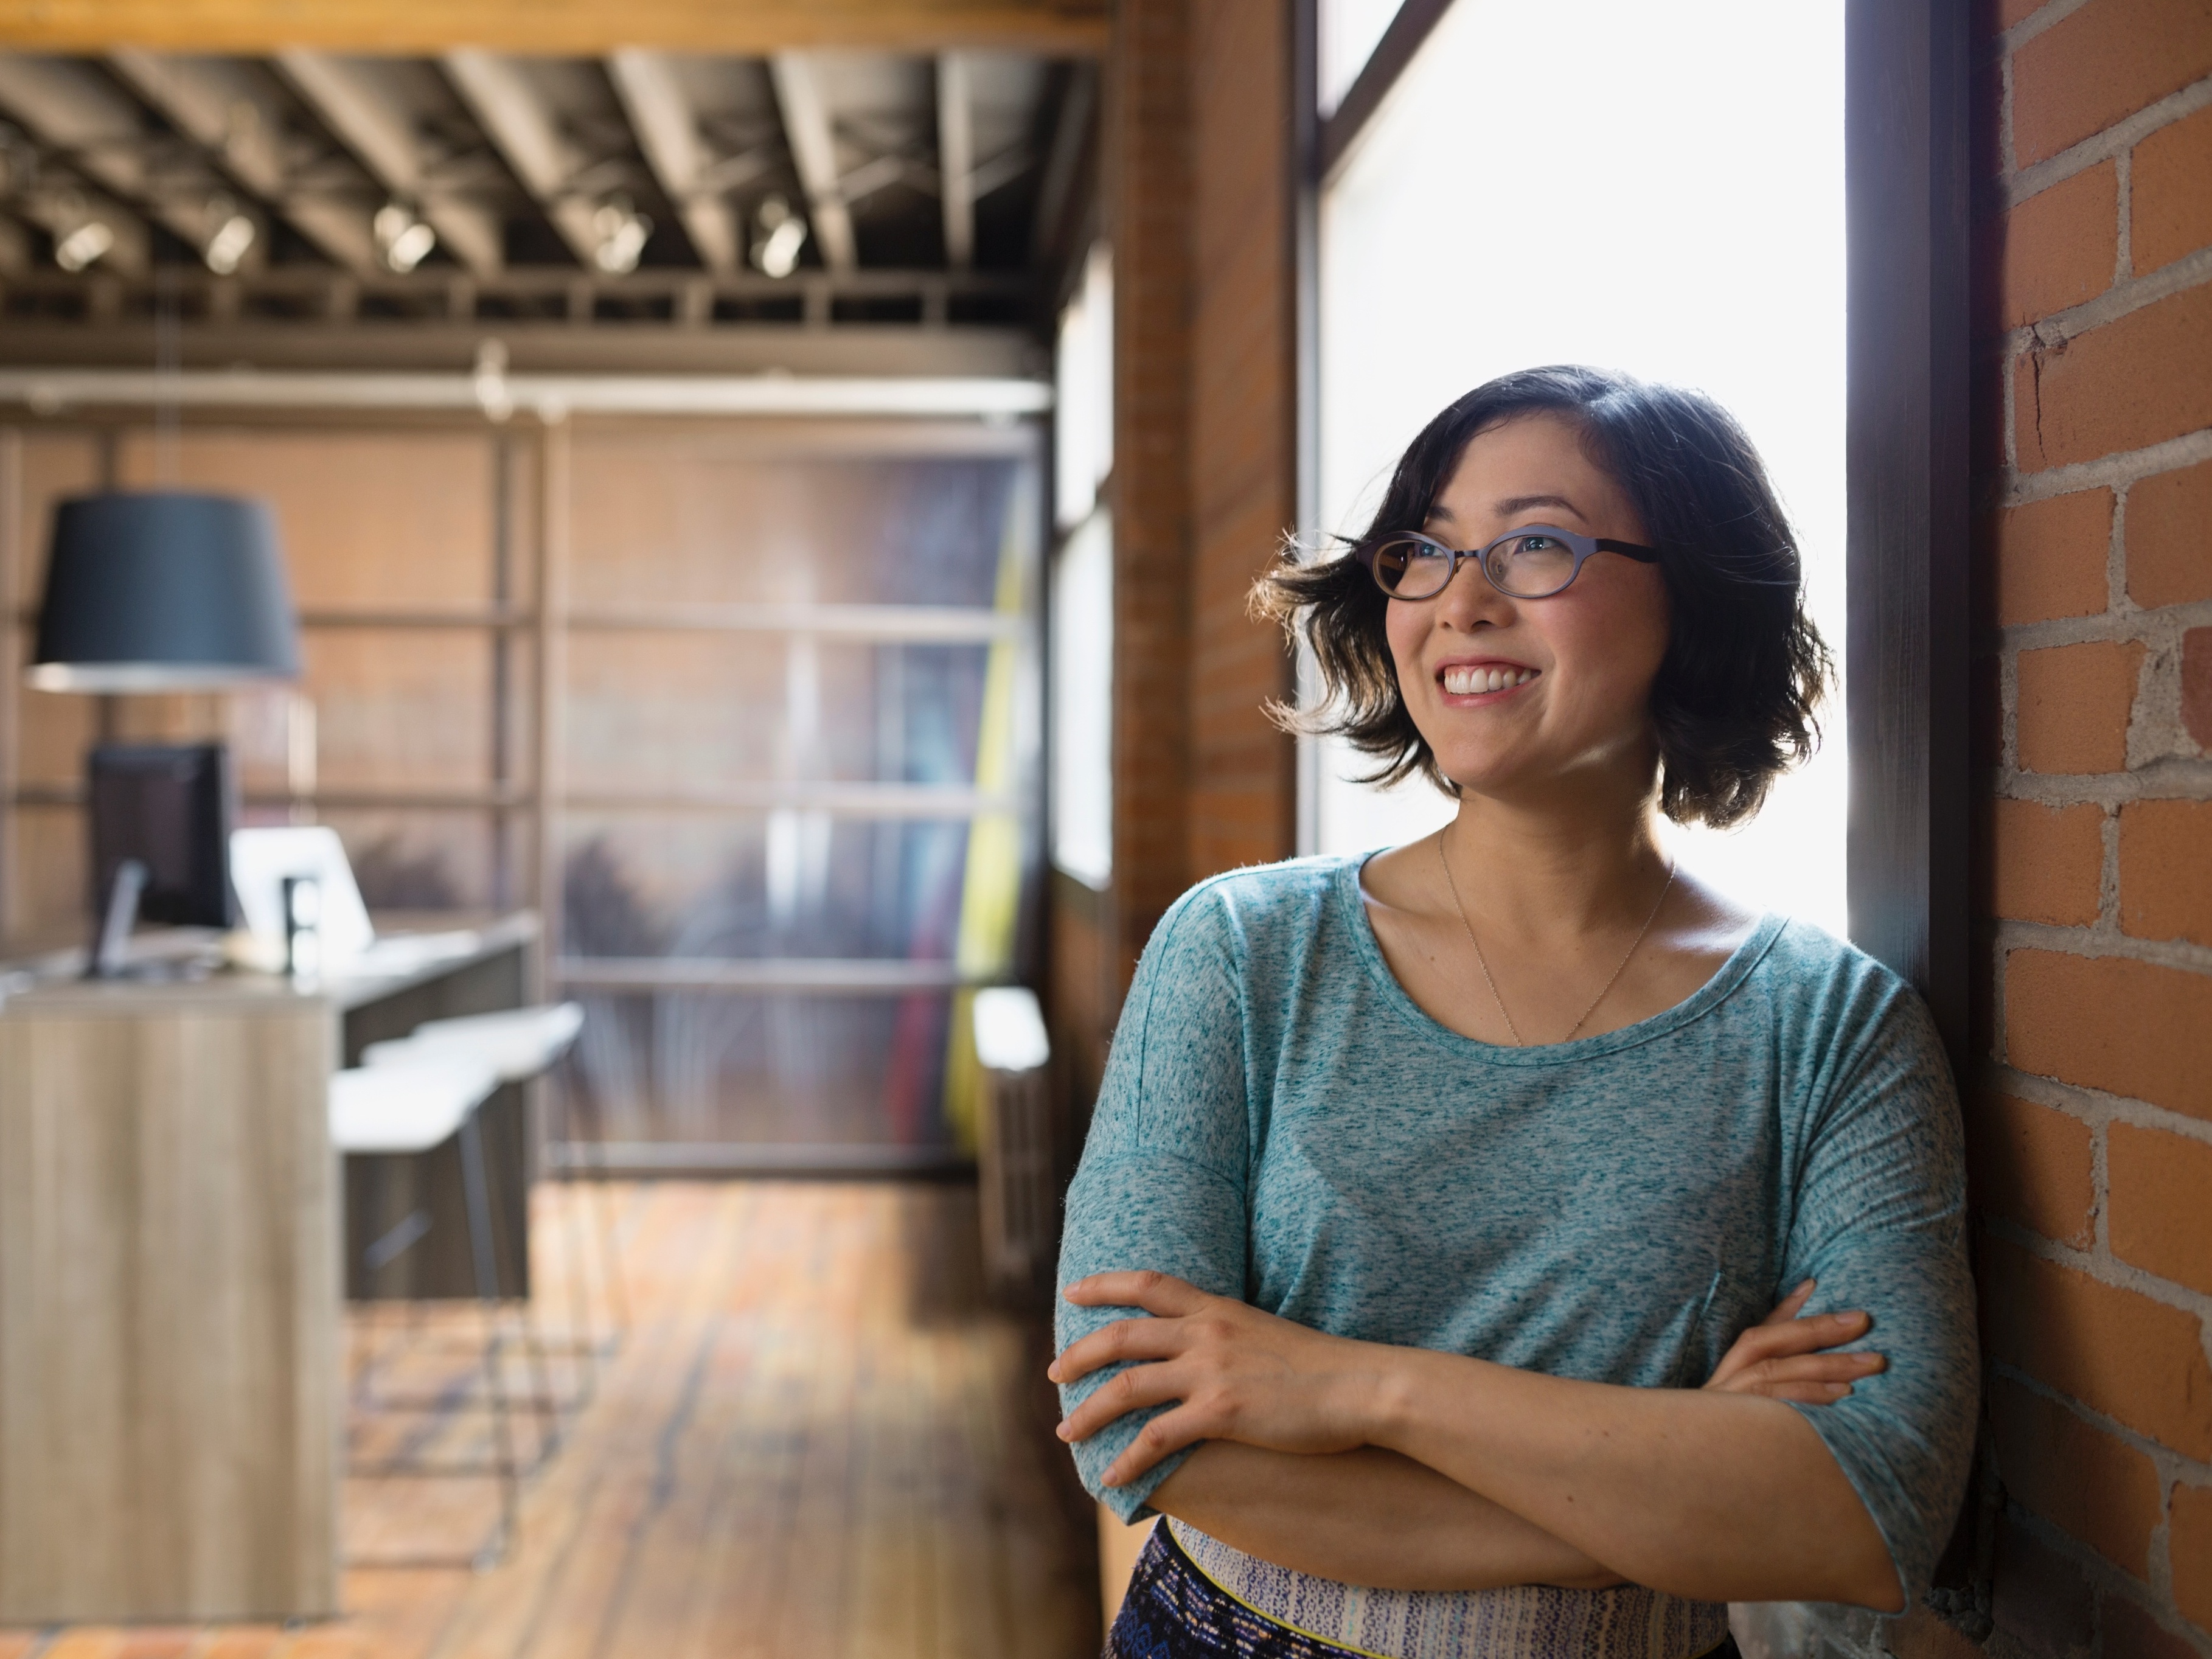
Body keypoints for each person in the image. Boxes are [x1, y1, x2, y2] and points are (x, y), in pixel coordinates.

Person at [1049, 365, 1976, 1659]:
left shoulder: (1829, 1026)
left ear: (1695, 593)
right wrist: (1676, 1479)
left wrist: (1352, 1385)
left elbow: (1873, 1512)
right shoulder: (1242, 950)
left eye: (1536, 543)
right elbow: (1125, 1418)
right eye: (1424, 550)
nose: (1461, 602)